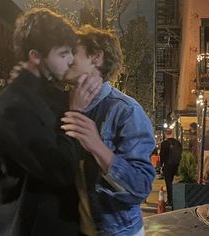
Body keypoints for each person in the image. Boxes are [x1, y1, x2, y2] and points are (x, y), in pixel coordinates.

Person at [0, 8, 102, 236]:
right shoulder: (14, 107)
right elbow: (60, 170)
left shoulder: (45, 97)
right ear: (35, 56)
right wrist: (75, 111)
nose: (70, 60)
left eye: (71, 52)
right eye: (62, 54)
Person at [61, 25, 156, 236]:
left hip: (117, 231)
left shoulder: (125, 111)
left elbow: (140, 187)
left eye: (72, 52)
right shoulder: (58, 107)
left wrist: (97, 147)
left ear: (96, 57)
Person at [159, 129, 182, 206]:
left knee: (168, 183)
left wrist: (161, 166)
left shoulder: (164, 143)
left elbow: (162, 156)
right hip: (176, 166)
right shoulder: (178, 143)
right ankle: (176, 200)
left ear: (165, 134)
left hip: (167, 166)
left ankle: (170, 200)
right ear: (172, 133)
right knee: (175, 183)